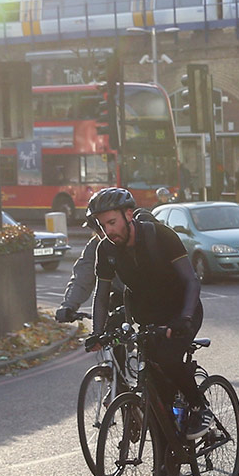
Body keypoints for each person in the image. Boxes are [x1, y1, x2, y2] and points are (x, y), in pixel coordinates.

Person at [83, 187, 213, 440]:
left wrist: (185, 319)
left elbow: (191, 281)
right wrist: (97, 333)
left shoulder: (160, 236)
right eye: (102, 225)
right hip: (148, 316)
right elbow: (101, 295)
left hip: (182, 310)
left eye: (112, 222)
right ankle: (167, 461)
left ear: (128, 214)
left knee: (167, 357)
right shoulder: (106, 250)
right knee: (155, 386)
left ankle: (198, 406)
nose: (108, 231)